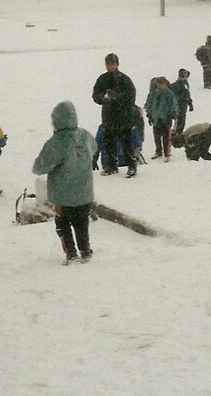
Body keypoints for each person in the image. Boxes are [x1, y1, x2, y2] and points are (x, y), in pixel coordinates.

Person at [32, 101, 97, 265]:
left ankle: (71, 254)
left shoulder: (57, 141)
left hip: (63, 195)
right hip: (85, 192)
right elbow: (95, 148)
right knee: (82, 223)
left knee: (63, 224)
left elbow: (40, 167)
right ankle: (85, 251)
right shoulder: (85, 135)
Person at [92, 53, 138, 177]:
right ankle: (111, 166)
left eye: (112, 63)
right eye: (108, 64)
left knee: (127, 142)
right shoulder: (102, 79)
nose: (110, 66)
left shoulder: (124, 79)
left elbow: (131, 94)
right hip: (109, 117)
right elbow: (95, 95)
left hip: (124, 116)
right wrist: (103, 98)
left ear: (117, 64)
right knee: (109, 143)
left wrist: (117, 97)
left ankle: (132, 166)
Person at [145, 76, 178, 162]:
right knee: (156, 136)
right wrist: (149, 114)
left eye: (162, 84)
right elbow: (150, 103)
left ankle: (167, 153)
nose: (160, 85)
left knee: (166, 137)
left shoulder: (169, 94)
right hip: (156, 118)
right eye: (159, 84)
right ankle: (158, 151)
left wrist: (171, 115)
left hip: (165, 118)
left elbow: (173, 105)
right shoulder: (154, 93)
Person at [169, 68, 193, 135]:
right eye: (185, 75)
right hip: (179, 105)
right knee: (179, 119)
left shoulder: (185, 83)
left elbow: (187, 94)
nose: (187, 77)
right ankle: (175, 133)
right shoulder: (177, 84)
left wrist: (190, 103)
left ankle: (179, 132)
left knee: (182, 120)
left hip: (184, 105)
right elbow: (173, 95)